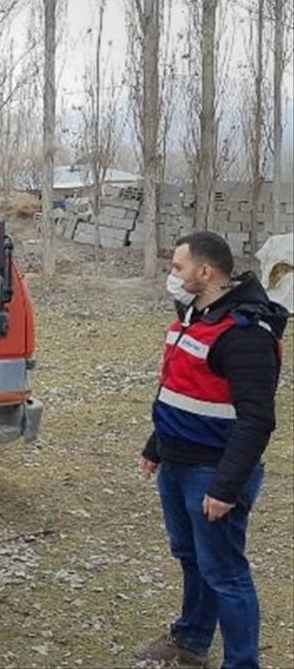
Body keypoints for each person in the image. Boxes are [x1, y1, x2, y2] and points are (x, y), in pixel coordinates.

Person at [136, 231, 287, 669]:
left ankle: (241, 663)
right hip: (177, 462)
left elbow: (258, 419)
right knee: (191, 558)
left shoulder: (246, 333)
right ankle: (191, 639)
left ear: (205, 272)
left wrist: (225, 487)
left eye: (178, 267)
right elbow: (177, 386)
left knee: (225, 573)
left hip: (213, 472)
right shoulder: (191, 317)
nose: (172, 275)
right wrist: (157, 445)